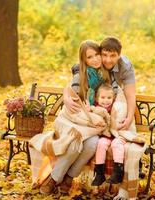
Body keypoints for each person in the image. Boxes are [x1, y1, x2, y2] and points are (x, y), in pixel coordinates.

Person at [40, 40, 110, 194]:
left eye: (97, 55)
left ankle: (69, 177)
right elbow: (75, 98)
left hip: (90, 126)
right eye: (90, 57)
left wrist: (93, 115)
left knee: (92, 145)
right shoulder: (80, 75)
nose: (95, 59)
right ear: (84, 60)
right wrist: (89, 114)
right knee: (74, 145)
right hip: (75, 119)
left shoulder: (103, 75)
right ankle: (54, 178)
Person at [68, 36, 136, 131]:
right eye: (104, 55)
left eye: (113, 56)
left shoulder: (125, 67)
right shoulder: (89, 67)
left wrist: (129, 118)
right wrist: (66, 98)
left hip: (109, 104)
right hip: (90, 108)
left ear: (119, 55)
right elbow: (71, 87)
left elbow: (130, 95)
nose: (108, 60)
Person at [88, 84, 126, 186]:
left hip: (117, 135)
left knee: (116, 145)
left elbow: (121, 119)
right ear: (97, 98)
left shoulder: (116, 108)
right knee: (101, 144)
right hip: (104, 136)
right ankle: (100, 174)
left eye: (109, 98)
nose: (106, 101)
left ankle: (118, 172)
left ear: (113, 98)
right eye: (103, 97)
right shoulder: (96, 109)